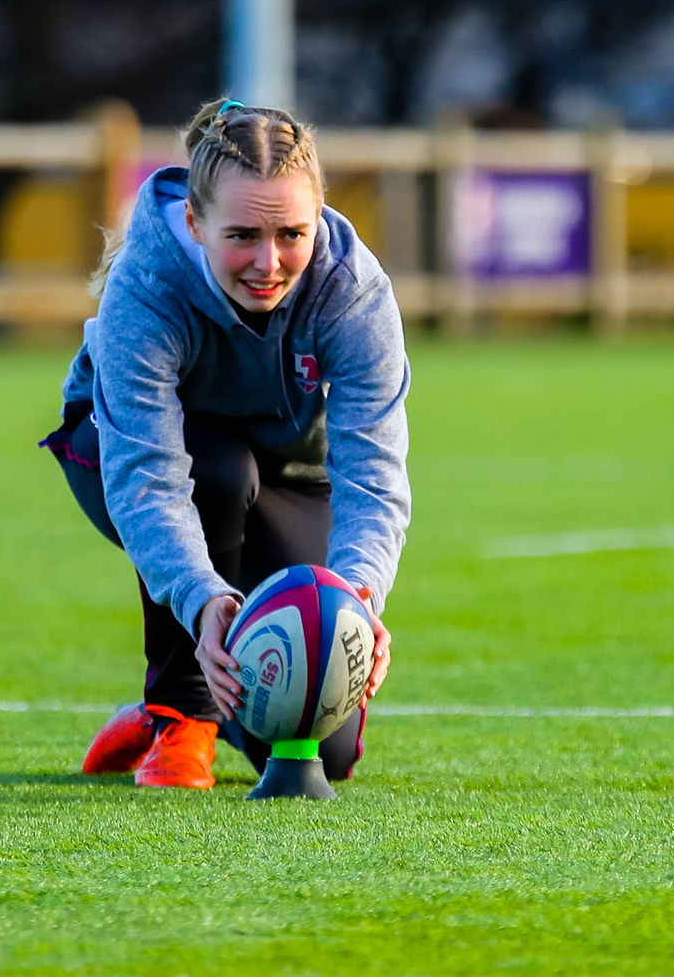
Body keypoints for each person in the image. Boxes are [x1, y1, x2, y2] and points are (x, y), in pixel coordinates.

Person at [41, 98, 409, 789]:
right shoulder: (146, 287)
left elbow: (372, 473)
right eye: (242, 235)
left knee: (315, 744)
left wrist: (360, 595)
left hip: (282, 471)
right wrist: (204, 598)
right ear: (193, 221)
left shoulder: (352, 290)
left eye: (291, 234)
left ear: (319, 220)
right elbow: (149, 478)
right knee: (216, 471)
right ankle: (181, 714)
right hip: (125, 456)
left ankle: (150, 719)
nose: (268, 263)